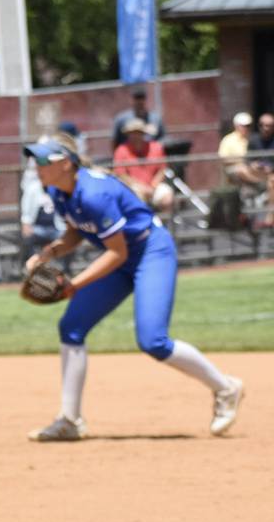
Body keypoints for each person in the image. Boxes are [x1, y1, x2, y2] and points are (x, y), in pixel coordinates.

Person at [22, 133, 243, 441]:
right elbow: (77, 228)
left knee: (153, 340)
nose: (36, 165)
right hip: (122, 258)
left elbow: (117, 253)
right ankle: (69, 420)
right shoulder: (58, 190)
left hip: (150, 252)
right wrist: (49, 252)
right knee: (71, 326)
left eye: (43, 159)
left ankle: (226, 388)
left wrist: (73, 285)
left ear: (65, 163)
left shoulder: (94, 192)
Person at [111, 121, 173, 213]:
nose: (136, 136)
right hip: (132, 187)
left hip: (153, 186)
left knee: (167, 197)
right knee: (136, 198)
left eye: (139, 133)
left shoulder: (156, 147)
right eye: (133, 133)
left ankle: (163, 224)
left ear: (144, 134)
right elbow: (121, 175)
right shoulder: (121, 150)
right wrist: (141, 188)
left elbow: (162, 169)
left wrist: (153, 186)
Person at [19, 155, 64, 266]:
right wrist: (26, 225)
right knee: (27, 238)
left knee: (65, 236)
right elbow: (26, 214)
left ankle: (64, 269)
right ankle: (30, 267)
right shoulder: (33, 188)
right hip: (38, 229)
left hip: (56, 228)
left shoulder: (59, 188)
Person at [110, 87, 165, 153]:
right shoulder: (121, 118)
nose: (139, 101)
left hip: (151, 156)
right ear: (132, 99)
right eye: (137, 98)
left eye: (142, 98)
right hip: (128, 157)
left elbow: (162, 138)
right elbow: (114, 140)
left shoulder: (155, 118)